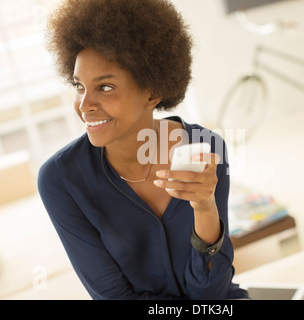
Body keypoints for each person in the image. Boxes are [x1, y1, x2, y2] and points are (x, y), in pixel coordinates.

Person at [38, 0, 249, 300]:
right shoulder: (60, 180)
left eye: (105, 87)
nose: (84, 105)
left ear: (152, 92)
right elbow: (114, 297)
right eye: (79, 86)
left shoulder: (207, 148)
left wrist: (204, 208)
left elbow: (211, 292)